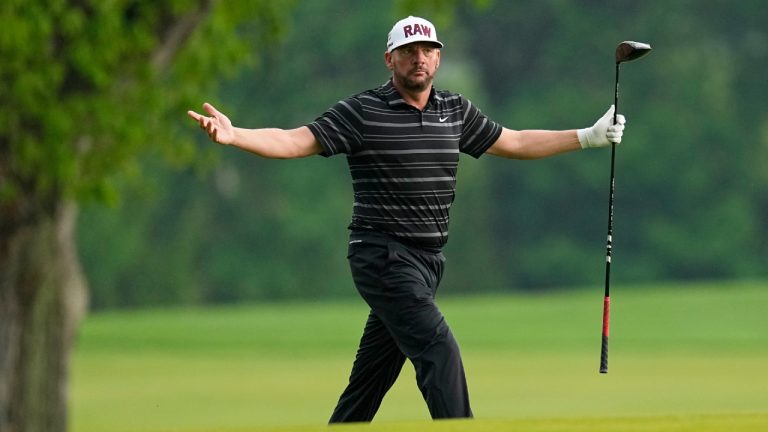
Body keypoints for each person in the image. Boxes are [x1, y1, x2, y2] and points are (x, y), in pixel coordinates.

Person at [187, 16, 626, 423]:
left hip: (427, 262)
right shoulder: (362, 111)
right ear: (390, 58)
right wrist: (235, 135)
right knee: (439, 350)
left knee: (370, 380)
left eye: (428, 50)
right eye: (409, 50)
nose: (419, 58)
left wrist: (586, 137)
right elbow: (295, 139)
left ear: (438, 57)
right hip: (382, 256)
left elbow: (514, 141)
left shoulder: (454, 110)